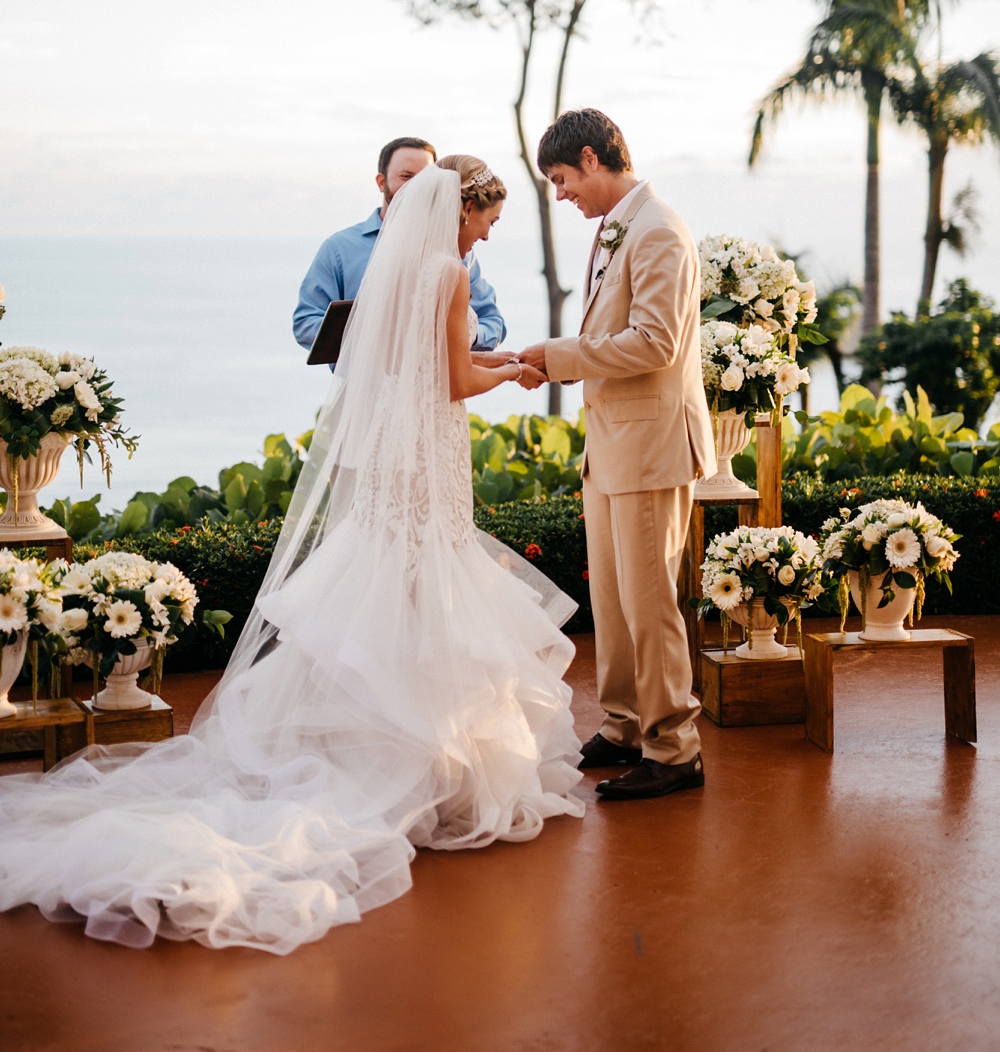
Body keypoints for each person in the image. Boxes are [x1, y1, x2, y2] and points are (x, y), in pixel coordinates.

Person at [0, 159, 583, 953]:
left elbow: (412, 370)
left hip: (398, 458)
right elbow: (449, 380)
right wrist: (513, 368)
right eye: (490, 218)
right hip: (430, 458)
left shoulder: (403, 268)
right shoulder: (450, 270)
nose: (490, 231)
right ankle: (427, 769)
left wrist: (505, 364)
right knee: (426, 589)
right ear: (467, 209)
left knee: (389, 586)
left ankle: (387, 748)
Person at [518, 109, 716, 802]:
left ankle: (673, 747)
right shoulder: (615, 226)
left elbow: (656, 342)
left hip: (651, 446)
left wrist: (560, 357)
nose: (561, 194)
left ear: (595, 158)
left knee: (650, 602)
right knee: (615, 598)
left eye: (563, 179)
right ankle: (625, 724)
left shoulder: (658, 229)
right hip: (613, 447)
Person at [293, 136, 507, 353]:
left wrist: (461, 335)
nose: (417, 187)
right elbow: (305, 323)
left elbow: (492, 321)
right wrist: (371, 334)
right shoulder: (338, 249)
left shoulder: (458, 251)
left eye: (425, 178)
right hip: (363, 384)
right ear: (381, 182)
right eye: (406, 177)